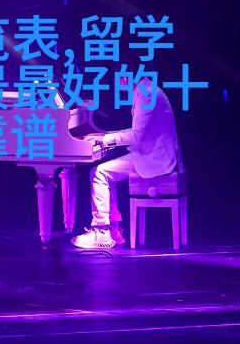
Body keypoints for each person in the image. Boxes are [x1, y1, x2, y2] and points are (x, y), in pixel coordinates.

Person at [71, 75, 182, 249]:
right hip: (151, 153)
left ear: (125, 76)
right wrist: (105, 135)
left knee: (100, 173)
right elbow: (139, 130)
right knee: (102, 172)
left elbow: (137, 136)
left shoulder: (146, 95)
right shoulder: (147, 90)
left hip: (155, 159)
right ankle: (113, 229)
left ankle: (102, 231)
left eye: (118, 78)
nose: (117, 83)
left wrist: (105, 139)